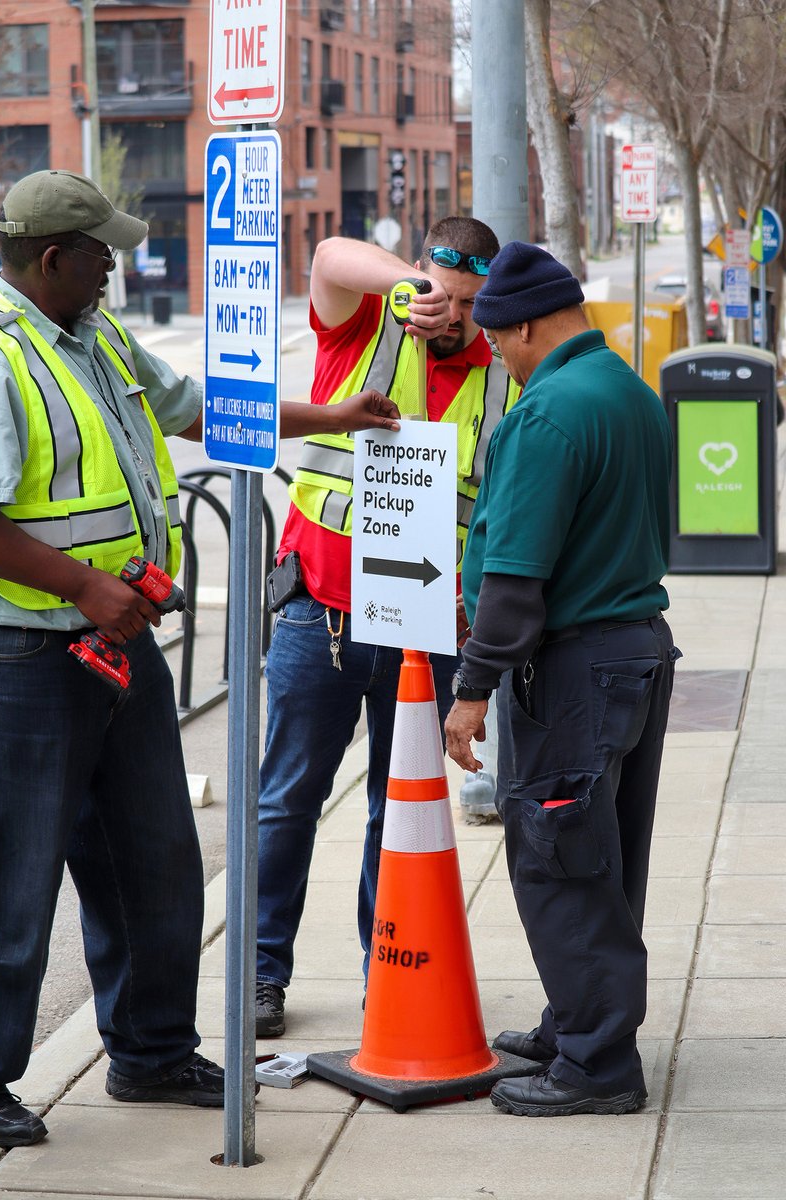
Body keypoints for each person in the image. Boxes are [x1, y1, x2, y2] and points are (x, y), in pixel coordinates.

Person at [0, 168, 399, 1152]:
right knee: (12, 877)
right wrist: (83, 586)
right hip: (30, 661)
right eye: (100, 254)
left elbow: (204, 411)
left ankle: (152, 1048)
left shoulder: (96, 338)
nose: (114, 268)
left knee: (155, 858)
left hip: (118, 651)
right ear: (52, 259)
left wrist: (333, 416)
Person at [256, 218, 520, 1037]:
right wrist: (408, 288)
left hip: (426, 628)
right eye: (443, 294)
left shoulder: (501, 378)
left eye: (473, 303)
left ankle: (390, 970)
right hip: (322, 614)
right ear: (413, 277)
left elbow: (492, 512)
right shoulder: (367, 323)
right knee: (287, 800)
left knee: (396, 806)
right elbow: (329, 257)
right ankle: (261, 973)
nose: (456, 317)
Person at [445, 241, 680, 1118]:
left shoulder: (544, 417)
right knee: (603, 850)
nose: (496, 355)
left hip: (575, 666)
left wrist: (471, 691)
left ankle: (596, 1064)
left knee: (560, 859)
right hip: (634, 651)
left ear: (532, 326)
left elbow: (513, 581)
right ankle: (579, 1020)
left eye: (498, 338)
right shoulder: (628, 390)